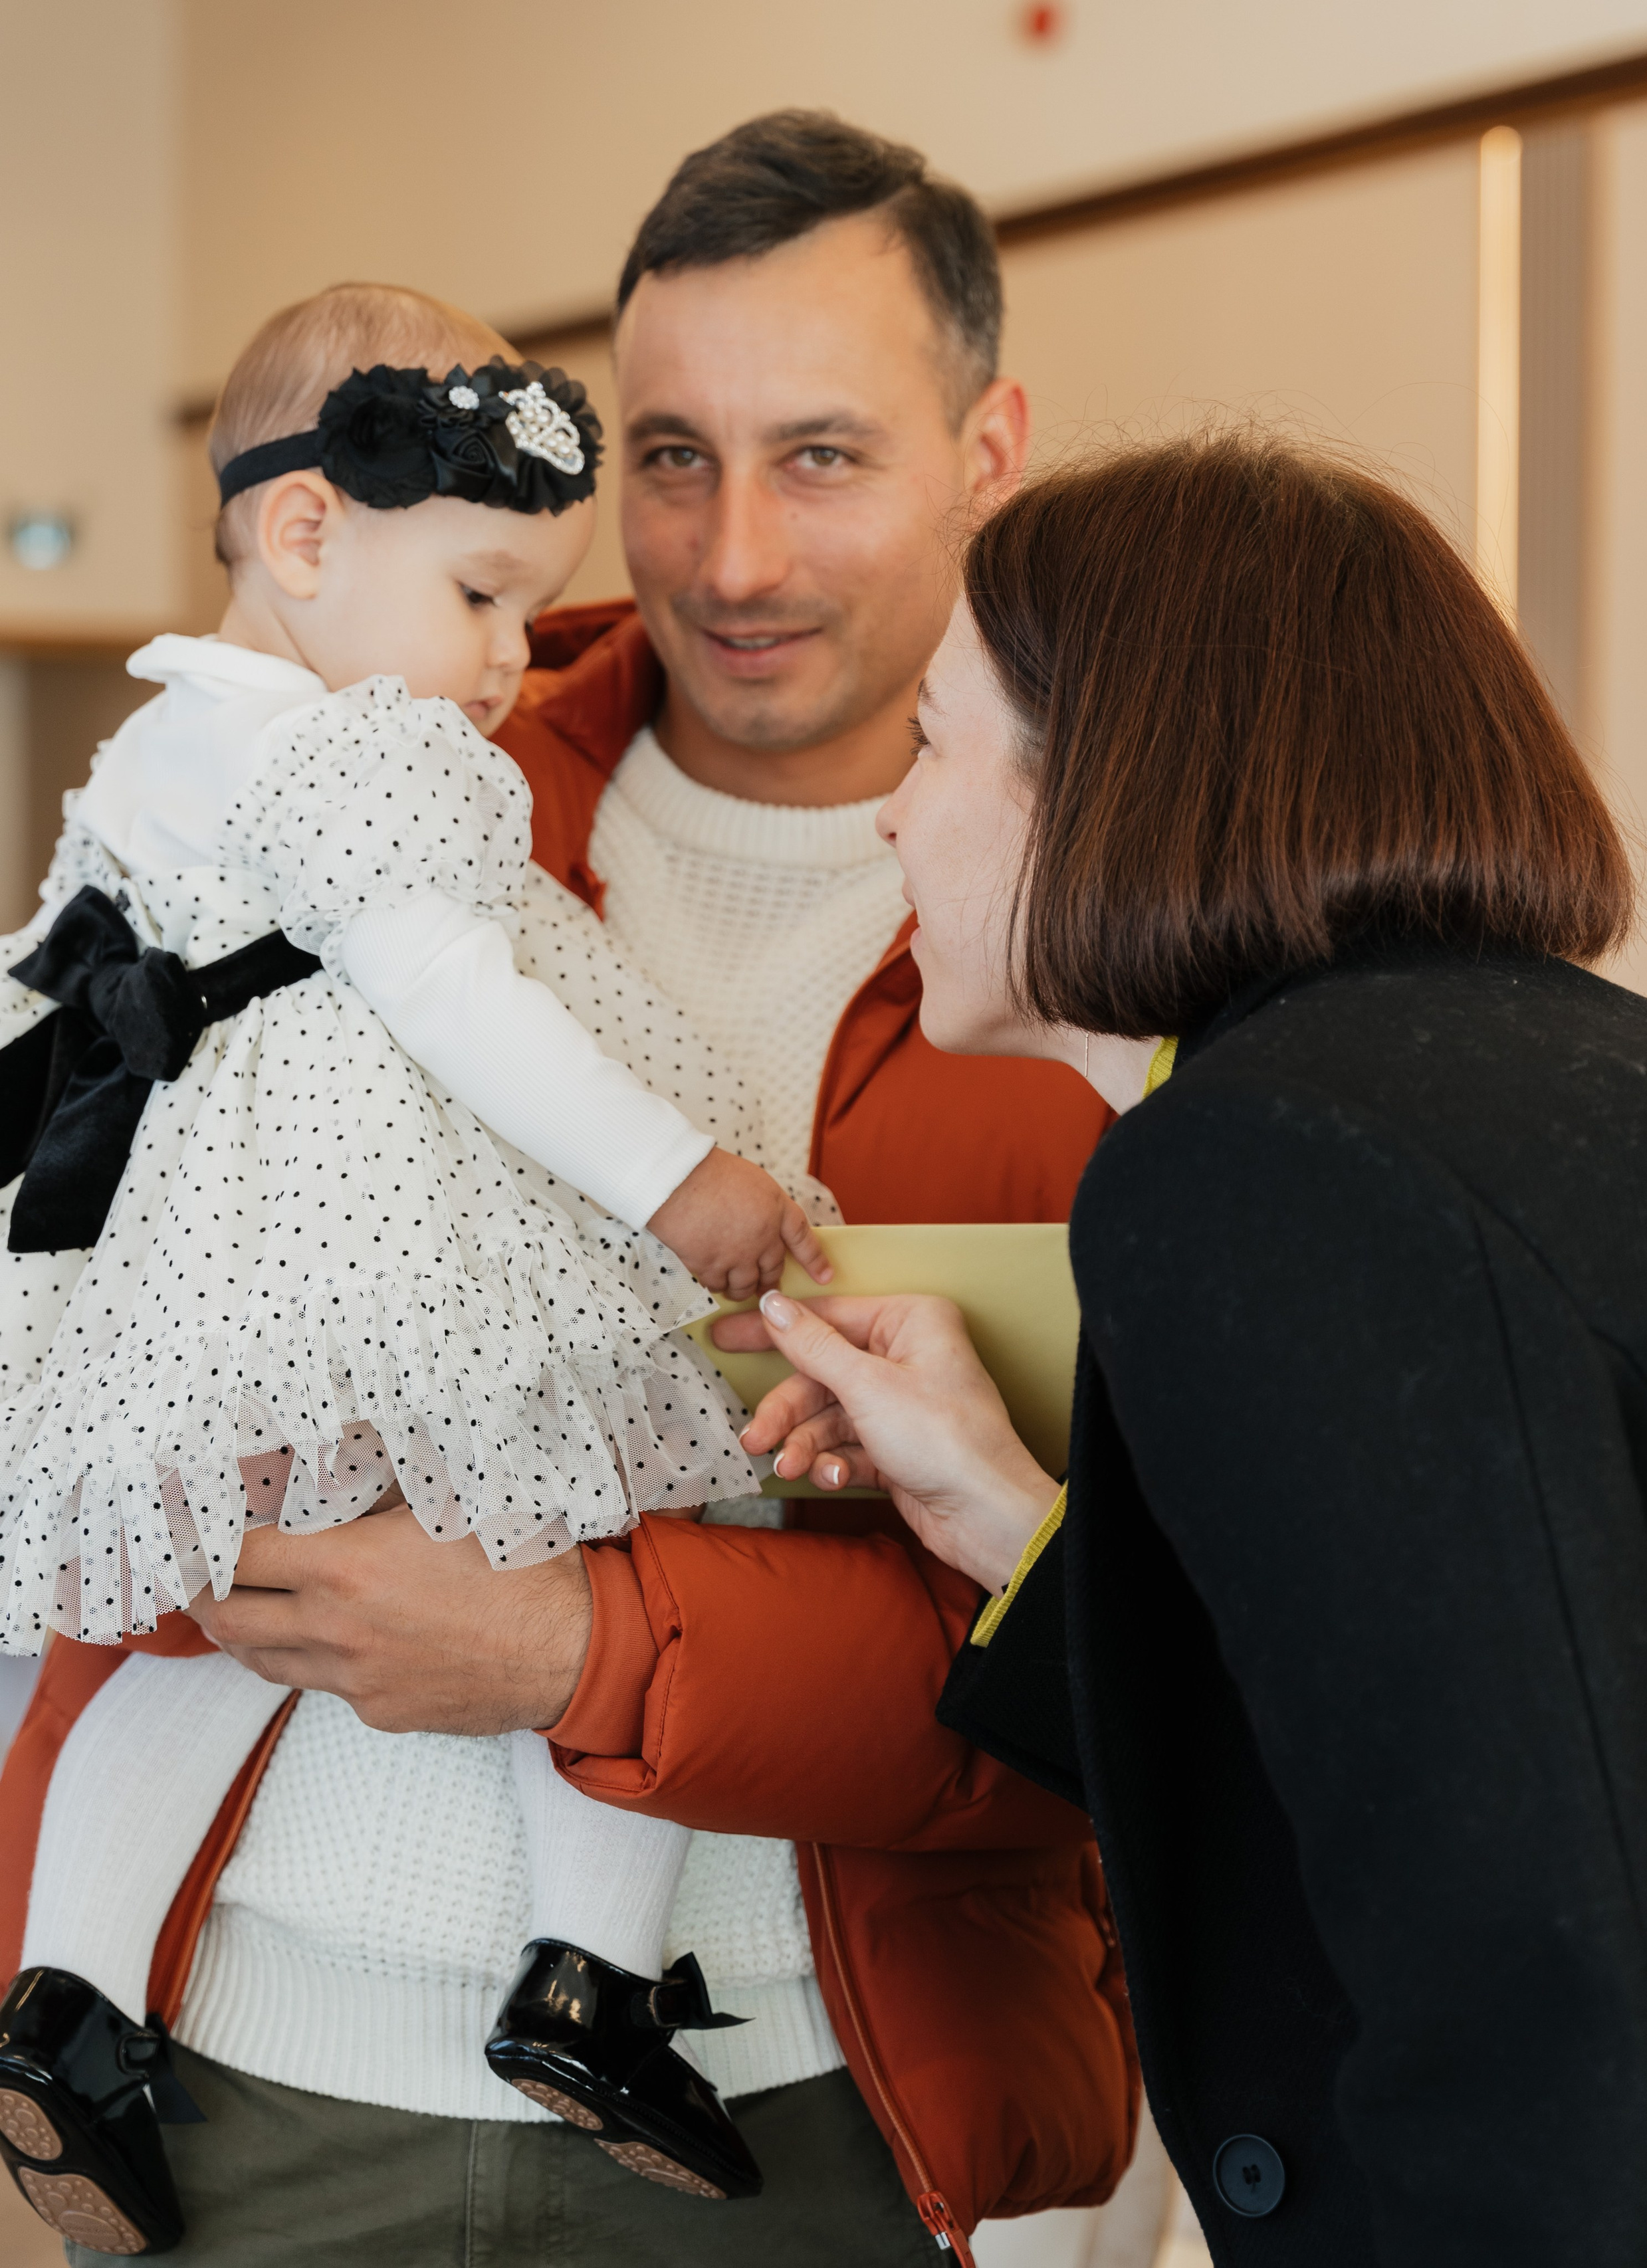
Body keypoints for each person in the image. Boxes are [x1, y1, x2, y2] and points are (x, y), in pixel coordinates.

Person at [0, 118, 1135, 2266]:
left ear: (989, 444)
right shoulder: (396, 756)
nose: (723, 557)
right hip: (245, 2077)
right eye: (676, 457)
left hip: (801, 2111)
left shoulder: (1112, 953)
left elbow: (1119, 1674)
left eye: (821, 455)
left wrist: (576, 1640)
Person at [722, 435, 1647, 2265]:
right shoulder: (1579, 1084)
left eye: (933, 740)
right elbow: (1478, 1700)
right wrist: (1014, 1517)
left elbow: (1519, 1948)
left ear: (1101, 775)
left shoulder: (1258, 1162)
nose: (889, 815)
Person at [0, 277, 856, 2249]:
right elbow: (468, 1011)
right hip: (385, 1244)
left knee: (207, 1625)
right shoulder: (356, 758)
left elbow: (57, 1006)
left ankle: (64, 2000)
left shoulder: (160, 746)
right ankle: (591, 1983)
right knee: (619, 1530)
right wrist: (681, 1189)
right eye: (478, 594)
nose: (506, 655)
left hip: (208, 1267)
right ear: (307, 535)